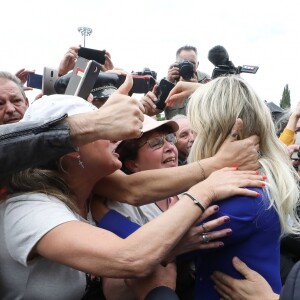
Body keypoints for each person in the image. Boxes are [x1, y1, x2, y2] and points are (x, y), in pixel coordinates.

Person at [0, 91, 264, 299]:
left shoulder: (91, 189)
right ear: (72, 149)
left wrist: (215, 164)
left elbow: (135, 188)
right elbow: (129, 257)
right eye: (104, 129)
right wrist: (205, 191)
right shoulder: (29, 209)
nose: (119, 136)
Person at [184, 75, 300, 299]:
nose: (192, 139)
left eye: (196, 129)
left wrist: (105, 203)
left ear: (215, 131)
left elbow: (141, 249)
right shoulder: (259, 179)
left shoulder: (243, 196)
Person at [97, 115, 232, 299]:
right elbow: (114, 291)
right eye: (155, 143)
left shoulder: (189, 191)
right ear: (132, 164)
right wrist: (174, 248)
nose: (170, 147)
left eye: (170, 138)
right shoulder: (120, 209)